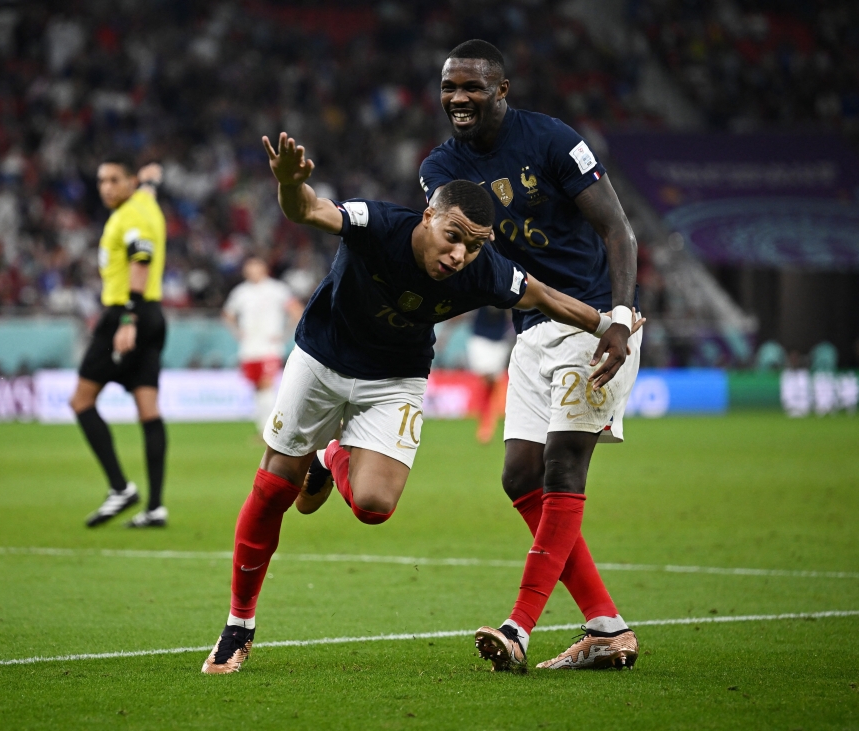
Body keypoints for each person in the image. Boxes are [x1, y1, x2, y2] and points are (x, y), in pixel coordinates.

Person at [200, 132, 641, 674]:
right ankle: (238, 627)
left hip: (396, 378)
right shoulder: (377, 224)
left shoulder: (483, 269)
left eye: (474, 246)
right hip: (321, 360)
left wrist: (611, 324)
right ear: (428, 216)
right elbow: (310, 210)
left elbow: (543, 296)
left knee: (374, 506)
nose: (459, 255)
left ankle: (330, 456)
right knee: (275, 489)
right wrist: (291, 185)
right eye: (453, 237)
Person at [419, 39, 644, 672]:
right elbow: (459, 252)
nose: (458, 98)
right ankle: (607, 627)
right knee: (520, 476)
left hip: (591, 322)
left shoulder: (552, 141)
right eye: (449, 87)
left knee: (563, 464)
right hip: (530, 329)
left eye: (472, 86)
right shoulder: (440, 168)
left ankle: (518, 628)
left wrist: (618, 318)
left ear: (501, 90)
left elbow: (618, 231)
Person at [69, 154, 169, 529]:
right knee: (148, 409)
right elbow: (150, 186)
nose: (106, 188)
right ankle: (155, 507)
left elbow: (141, 259)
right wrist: (151, 180)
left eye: (114, 180)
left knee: (81, 401)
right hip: (154, 314)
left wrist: (127, 318)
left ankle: (120, 488)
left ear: (129, 183)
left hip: (125, 314)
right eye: (101, 181)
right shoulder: (146, 202)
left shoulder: (130, 216)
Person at [221, 257, 303, 433]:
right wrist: (238, 332)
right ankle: (263, 428)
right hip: (249, 348)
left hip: (269, 347)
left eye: (256, 268)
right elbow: (227, 314)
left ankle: (271, 430)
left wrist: (285, 334)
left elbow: (296, 311)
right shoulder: (241, 292)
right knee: (257, 388)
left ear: (264, 269)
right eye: (249, 269)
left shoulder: (277, 289)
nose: (253, 272)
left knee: (267, 385)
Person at [467, 307, 513, 443]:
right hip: (480, 338)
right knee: (486, 379)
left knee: (494, 382)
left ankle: (488, 422)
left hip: (499, 340)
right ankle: (485, 422)